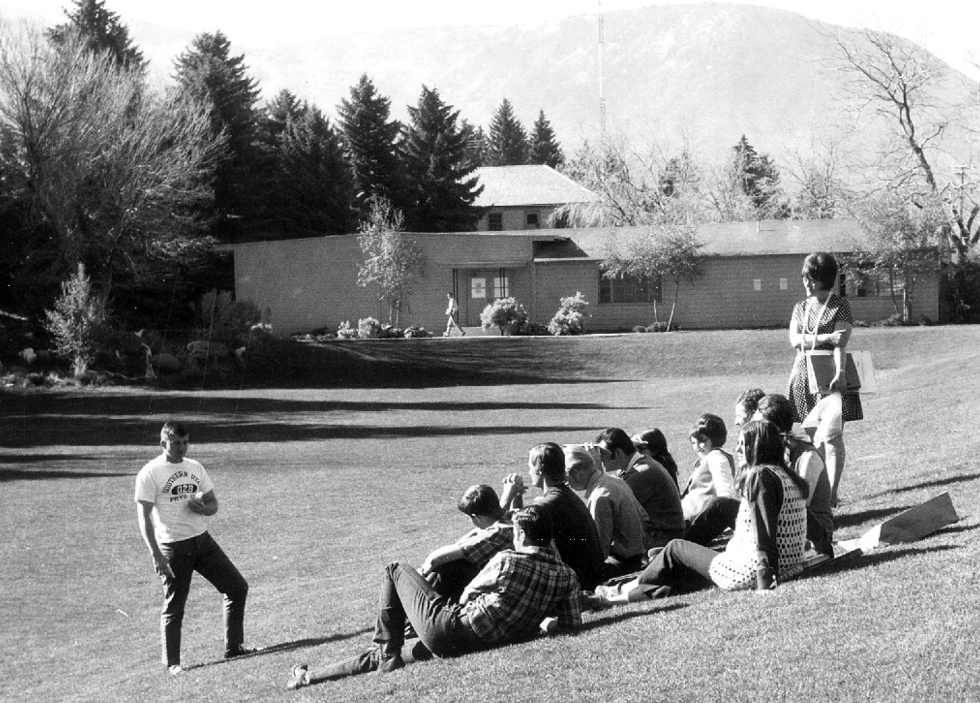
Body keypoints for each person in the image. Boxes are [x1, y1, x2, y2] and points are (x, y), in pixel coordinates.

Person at [286, 506, 581, 688]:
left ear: (521, 535)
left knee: (395, 570)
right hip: (478, 641)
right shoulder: (567, 575)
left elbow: (469, 592)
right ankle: (309, 678)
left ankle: (388, 652)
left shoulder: (508, 560)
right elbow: (570, 624)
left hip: (454, 629)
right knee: (400, 650)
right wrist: (536, 621)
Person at [592, 421, 809, 605]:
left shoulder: (760, 475)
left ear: (758, 447)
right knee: (679, 580)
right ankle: (615, 597)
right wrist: (825, 549)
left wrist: (765, 581)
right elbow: (807, 522)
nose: (738, 449)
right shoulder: (786, 474)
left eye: (743, 444)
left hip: (748, 570)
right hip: (786, 565)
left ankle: (619, 589)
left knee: (675, 547)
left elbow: (765, 536)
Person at [135, 421, 254, 675]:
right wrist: (156, 554)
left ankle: (234, 647)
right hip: (173, 547)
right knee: (174, 605)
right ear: (163, 443)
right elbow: (143, 518)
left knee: (236, 587)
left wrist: (203, 509)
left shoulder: (195, 467)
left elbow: (213, 503)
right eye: (176, 443)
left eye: (185, 442)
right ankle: (173, 664)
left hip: (202, 540)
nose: (181, 448)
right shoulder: (150, 472)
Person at [787, 251, 862, 507]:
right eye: (806, 278)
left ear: (825, 279)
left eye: (812, 279)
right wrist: (823, 339)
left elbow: (841, 343)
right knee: (812, 434)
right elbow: (795, 340)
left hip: (830, 376)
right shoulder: (801, 306)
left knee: (832, 437)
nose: (807, 283)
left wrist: (841, 374)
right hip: (802, 373)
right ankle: (820, 488)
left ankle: (830, 495)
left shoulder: (839, 306)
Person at [500, 443, 604, 591]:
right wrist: (517, 497)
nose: (529, 472)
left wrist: (506, 496)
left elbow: (497, 531)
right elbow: (521, 523)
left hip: (578, 585)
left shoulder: (549, 504)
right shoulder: (564, 496)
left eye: (530, 467)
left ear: (539, 469)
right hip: (589, 578)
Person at [756, 393, 834, 557]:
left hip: (809, 535)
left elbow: (800, 505)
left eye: (760, 426)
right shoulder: (773, 452)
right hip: (786, 530)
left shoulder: (808, 457)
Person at [563, 444, 649, 579]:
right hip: (638, 556)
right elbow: (644, 516)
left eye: (566, 475)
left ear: (577, 471)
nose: (566, 482)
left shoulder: (599, 497)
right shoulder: (615, 480)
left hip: (622, 563)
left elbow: (599, 550)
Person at [420, 484, 513, 602]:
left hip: (490, 587)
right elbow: (476, 533)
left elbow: (435, 559)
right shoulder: (510, 516)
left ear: (476, 517)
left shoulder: (496, 533)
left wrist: (423, 572)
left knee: (451, 565)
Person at [594, 428, 685, 548]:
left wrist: (595, 471)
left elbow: (608, 507)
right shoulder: (640, 465)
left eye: (602, 454)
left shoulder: (642, 472)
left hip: (662, 540)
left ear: (618, 453)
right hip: (659, 535)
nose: (600, 458)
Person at [679, 414, 738, 526]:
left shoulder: (716, 457)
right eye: (693, 443)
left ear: (714, 438)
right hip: (690, 517)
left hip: (695, 521)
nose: (697, 447)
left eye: (702, 441)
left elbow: (725, 490)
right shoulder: (708, 458)